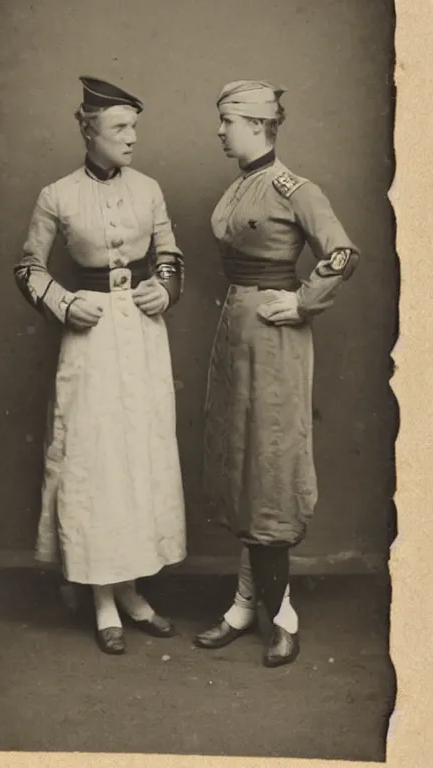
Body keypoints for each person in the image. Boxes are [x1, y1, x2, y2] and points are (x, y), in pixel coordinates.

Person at [14, 76, 186, 655]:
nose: (132, 138)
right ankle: (102, 598)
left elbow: (171, 258)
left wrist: (164, 290)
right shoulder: (56, 195)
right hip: (87, 341)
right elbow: (28, 268)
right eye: (120, 128)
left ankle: (133, 590)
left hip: (141, 337)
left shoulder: (150, 189)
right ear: (89, 131)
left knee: (137, 456)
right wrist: (63, 302)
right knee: (94, 458)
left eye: (134, 127)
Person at [194, 80, 360, 667]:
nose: (219, 130)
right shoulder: (240, 185)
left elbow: (341, 252)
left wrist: (304, 300)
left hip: (275, 338)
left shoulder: (295, 188)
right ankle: (245, 602)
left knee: (270, 463)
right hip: (234, 335)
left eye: (227, 120)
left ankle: (280, 611)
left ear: (258, 124)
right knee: (242, 462)